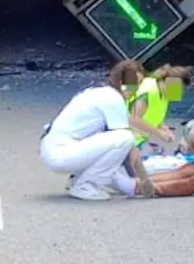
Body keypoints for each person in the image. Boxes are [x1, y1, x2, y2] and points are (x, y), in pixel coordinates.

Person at [41, 68, 146, 200]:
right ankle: (85, 185)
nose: (136, 89)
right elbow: (126, 145)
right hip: (62, 151)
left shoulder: (99, 92)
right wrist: (139, 174)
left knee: (115, 144)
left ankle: (80, 180)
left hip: (55, 149)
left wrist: (130, 185)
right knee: (126, 138)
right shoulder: (114, 98)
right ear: (121, 81)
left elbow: (106, 154)